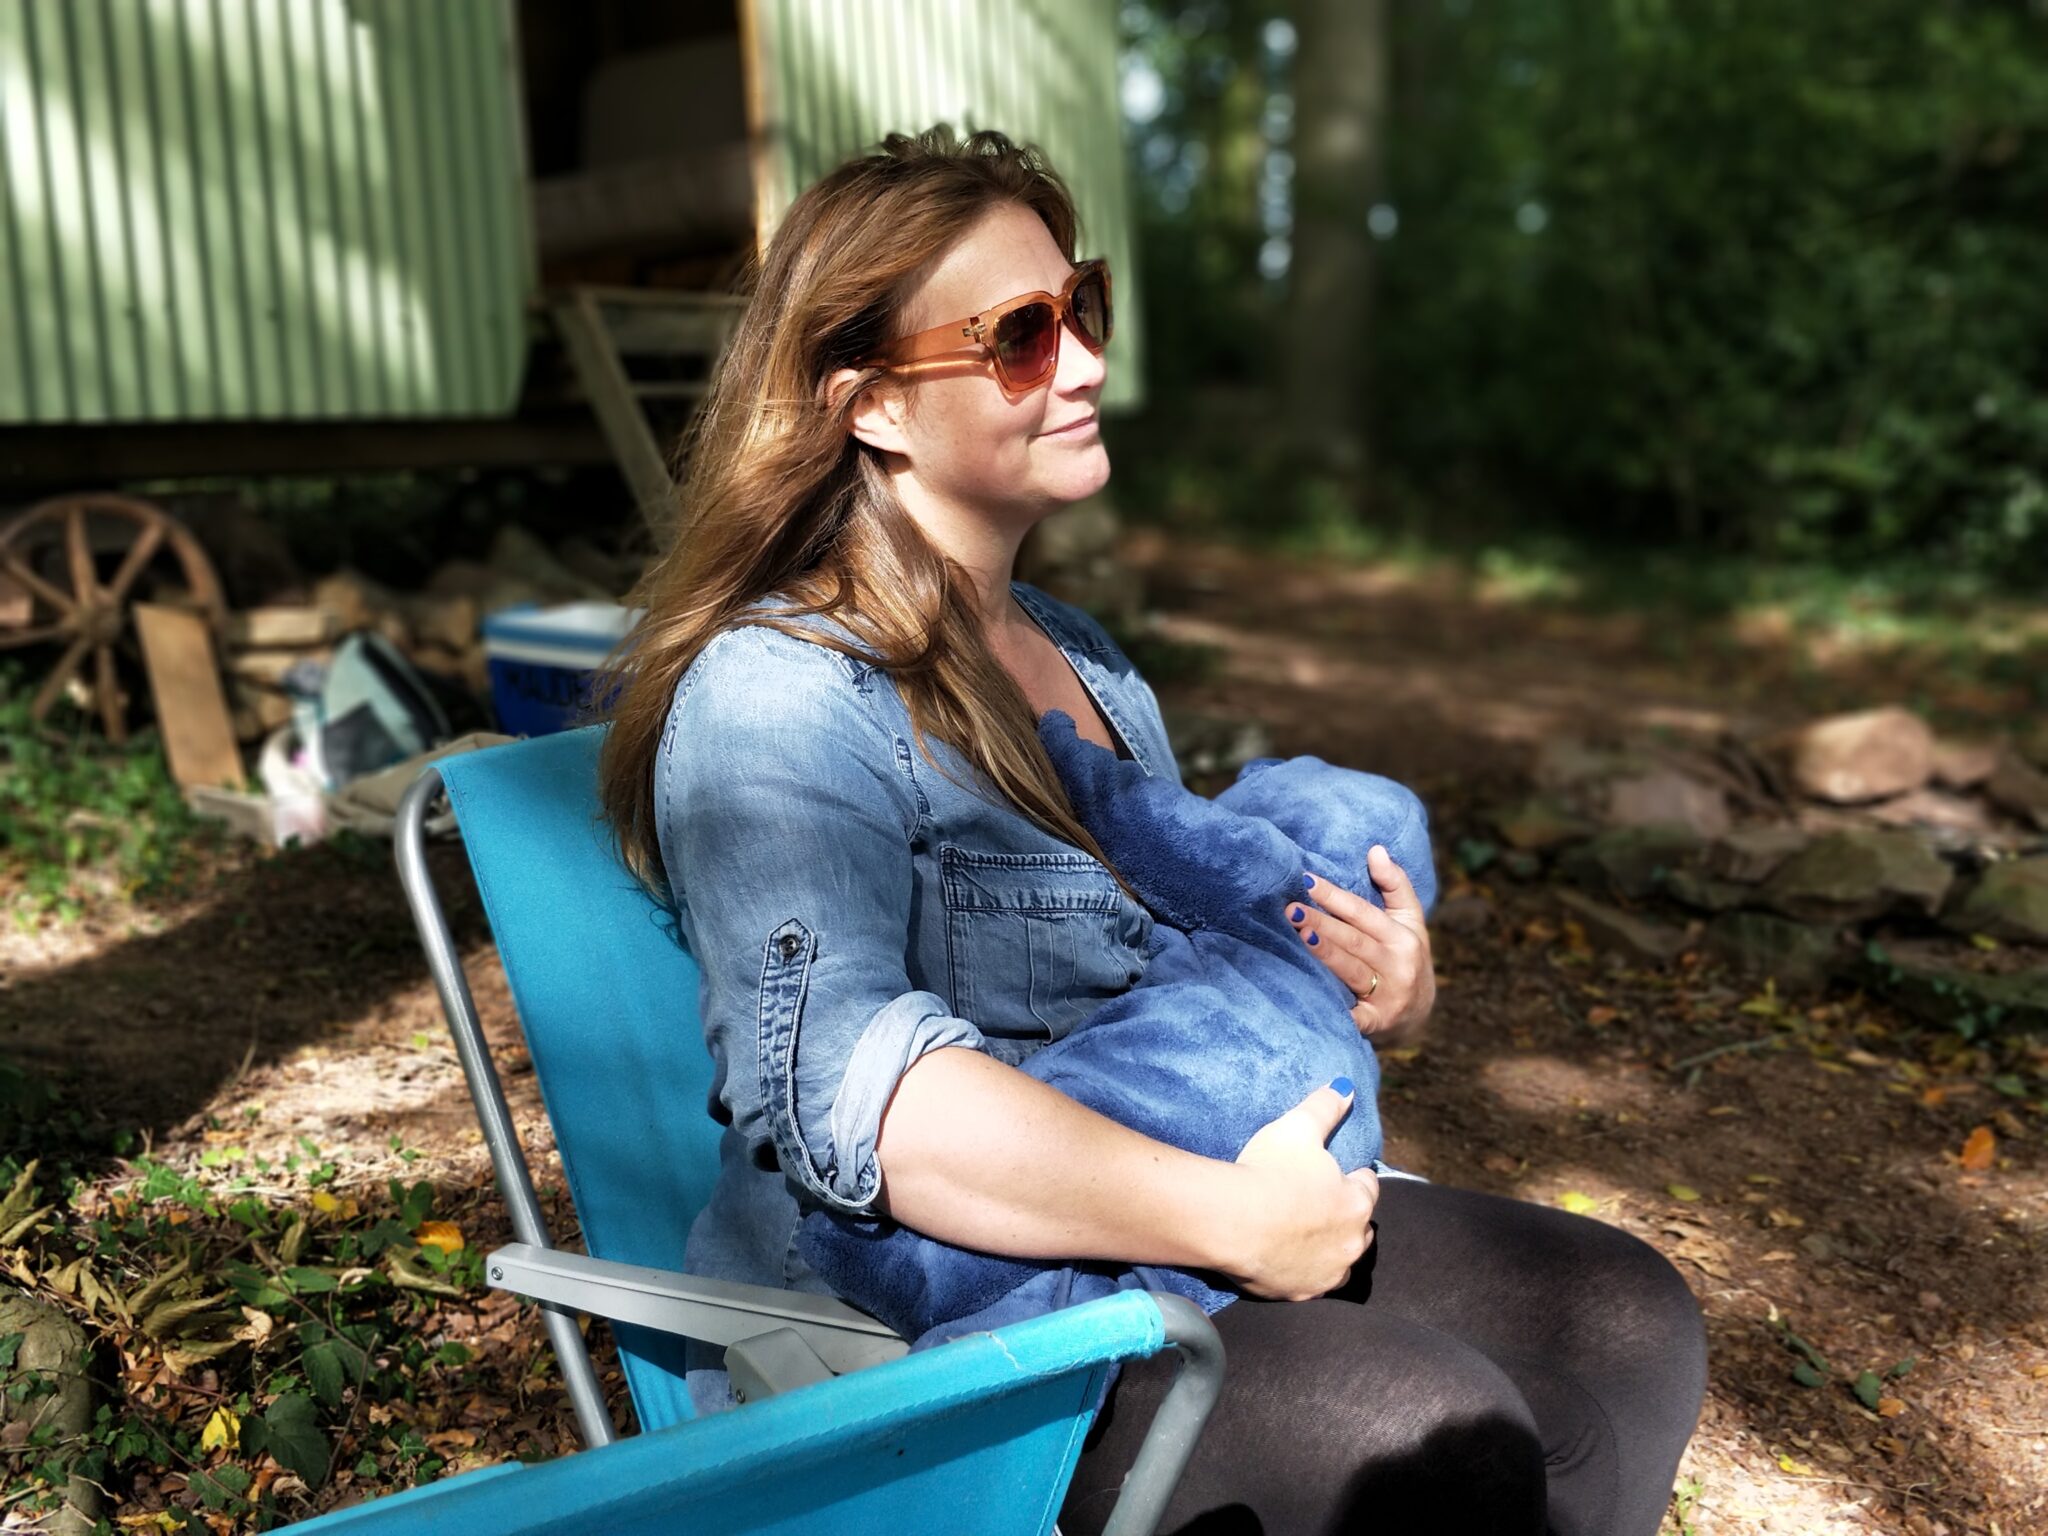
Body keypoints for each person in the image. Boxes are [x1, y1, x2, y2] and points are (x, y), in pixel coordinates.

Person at [596, 125, 1706, 1536]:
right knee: (1445, 1436)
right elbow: (864, 1102)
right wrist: (1230, 1220)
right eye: (1020, 335)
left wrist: (1365, 979)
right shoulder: (780, 693)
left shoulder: (1084, 662)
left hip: (1158, 1230)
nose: (1084, 365)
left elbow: (1187, 953)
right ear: (871, 407)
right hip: (924, 1318)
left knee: (1626, 1317)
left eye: (1085, 307)